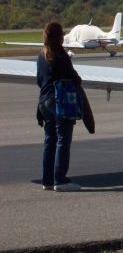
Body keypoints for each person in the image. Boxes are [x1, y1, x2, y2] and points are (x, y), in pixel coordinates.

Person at [36, 22, 83, 191]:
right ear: (60, 37)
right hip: (60, 102)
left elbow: (39, 80)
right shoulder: (61, 56)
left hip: (44, 102)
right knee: (63, 140)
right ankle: (60, 180)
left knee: (50, 141)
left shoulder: (41, 55)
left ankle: (47, 180)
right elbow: (73, 77)